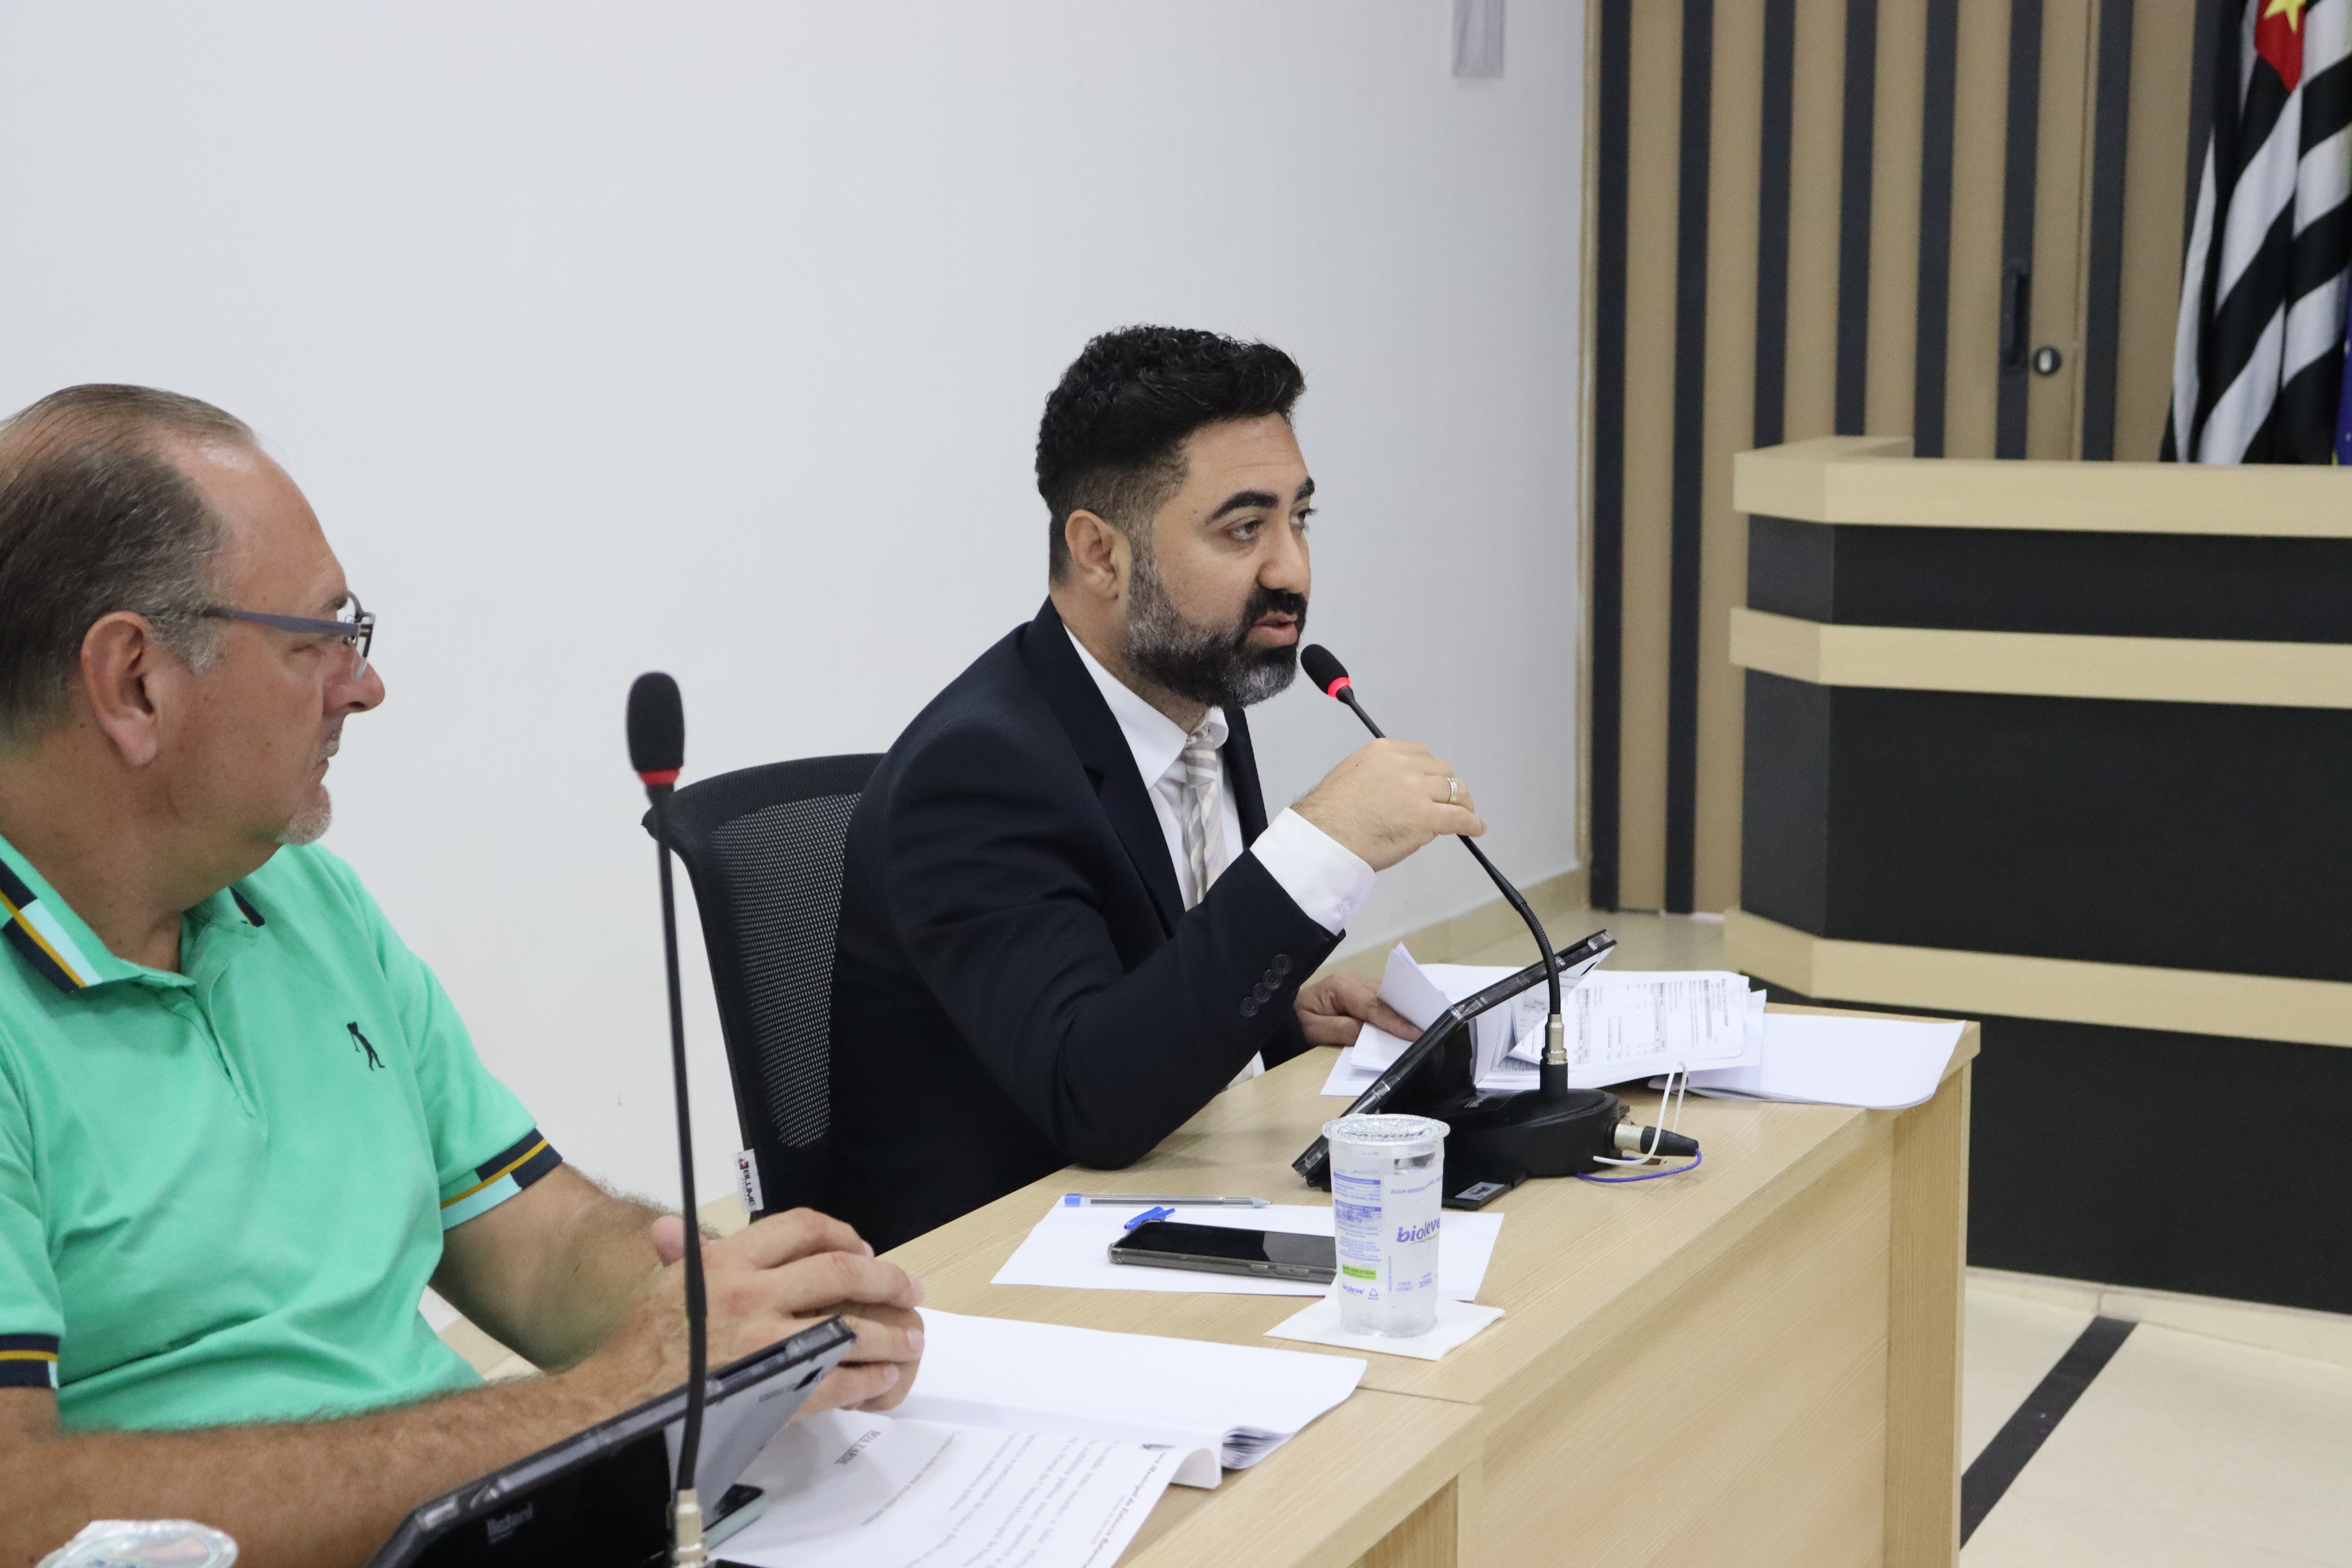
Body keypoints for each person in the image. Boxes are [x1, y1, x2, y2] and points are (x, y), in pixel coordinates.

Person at [0, 386, 926, 1567]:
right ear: (135, 681)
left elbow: (534, 1239)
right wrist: (603, 1402)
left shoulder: (305, 901)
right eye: (318, 638)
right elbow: (16, 1508)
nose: (364, 684)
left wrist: (731, 1312)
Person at [829, 326, 1486, 1250]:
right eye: (1244, 529)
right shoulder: (977, 772)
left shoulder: (1198, 701)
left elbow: (1143, 987)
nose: (1291, 570)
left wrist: (1275, 1019)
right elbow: (1092, 1094)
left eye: (1300, 518)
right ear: (1100, 553)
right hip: (1000, 1260)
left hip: (1169, 1193)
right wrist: (1317, 846)